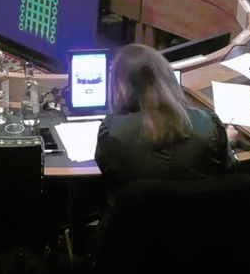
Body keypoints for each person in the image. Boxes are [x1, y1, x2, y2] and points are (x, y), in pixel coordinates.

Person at [95, 44, 238, 213]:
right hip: (198, 224)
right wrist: (226, 140)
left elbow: (107, 175)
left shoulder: (112, 131)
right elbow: (229, 169)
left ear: (119, 87)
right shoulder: (208, 124)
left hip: (134, 227)